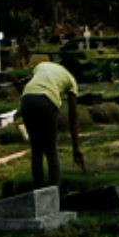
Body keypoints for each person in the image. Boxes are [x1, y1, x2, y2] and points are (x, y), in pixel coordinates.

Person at [17, 49, 83, 192]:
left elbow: (34, 82)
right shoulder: (71, 79)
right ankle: (54, 195)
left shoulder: (43, 65)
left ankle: (38, 194)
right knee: (51, 150)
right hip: (47, 102)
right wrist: (76, 148)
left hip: (27, 100)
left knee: (37, 150)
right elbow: (73, 116)